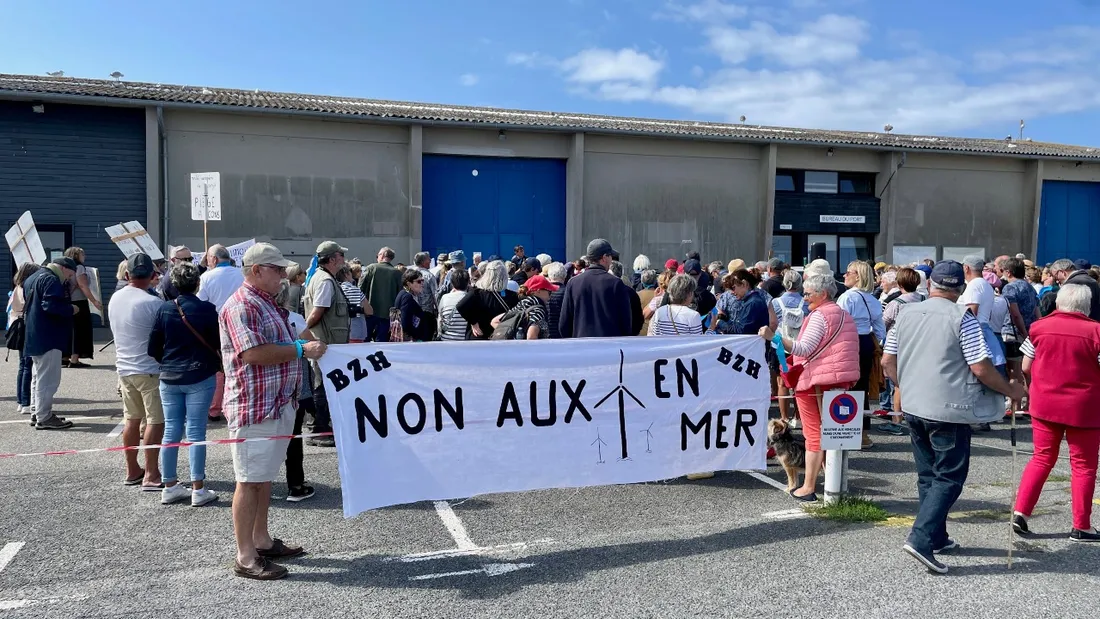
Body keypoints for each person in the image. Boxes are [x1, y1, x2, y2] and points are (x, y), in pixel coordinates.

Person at [882, 260, 1025, 574]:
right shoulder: (963, 317)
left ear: (930, 285)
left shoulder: (905, 313)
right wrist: (1010, 390)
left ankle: (935, 536)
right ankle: (921, 538)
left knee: (928, 475)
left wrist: (906, 385)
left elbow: (887, 361)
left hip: (914, 405)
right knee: (949, 477)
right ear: (960, 288)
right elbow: (980, 367)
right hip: (950, 409)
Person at [221, 242, 326, 580]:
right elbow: (252, 353)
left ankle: (261, 541)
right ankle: (245, 556)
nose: (283, 274)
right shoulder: (242, 305)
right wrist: (301, 349)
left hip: (276, 404)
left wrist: (301, 347)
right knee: (249, 481)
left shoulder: (265, 302)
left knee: (262, 478)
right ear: (256, 270)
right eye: (277, 269)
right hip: (256, 407)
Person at [759, 273, 859, 501]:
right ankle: (835, 486)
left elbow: (803, 348)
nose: (804, 298)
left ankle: (808, 486)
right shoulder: (845, 315)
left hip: (814, 382)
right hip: (839, 382)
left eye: (808, 294)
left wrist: (773, 337)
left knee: (813, 434)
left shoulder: (818, 316)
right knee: (835, 436)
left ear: (822, 294)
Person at [1013, 284, 1100, 542]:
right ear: (1086, 306)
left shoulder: (1038, 328)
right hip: (1084, 408)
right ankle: (1081, 525)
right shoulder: (1096, 332)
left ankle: (1020, 512)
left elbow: (1026, 365)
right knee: (1083, 466)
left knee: (1041, 458)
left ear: (1059, 303)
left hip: (1045, 404)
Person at [147, 261, 219, 507]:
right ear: (198, 283)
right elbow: (218, 342)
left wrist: (168, 361)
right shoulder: (207, 309)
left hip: (169, 375)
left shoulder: (165, 309)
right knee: (196, 432)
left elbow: (153, 347)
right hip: (200, 374)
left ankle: (170, 485)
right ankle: (198, 488)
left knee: (171, 430)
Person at [109, 253, 166, 491]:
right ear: (152, 276)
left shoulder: (115, 298)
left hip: (125, 367)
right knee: (156, 421)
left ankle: (132, 469)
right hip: (149, 369)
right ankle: (151, 474)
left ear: (126, 274)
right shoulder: (154, 303)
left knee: (131, 420)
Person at [302, 241, 355, 448]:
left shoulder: (325, 278)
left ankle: (321, 428)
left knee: (324, 384)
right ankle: (319, 430)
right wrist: (305, 332)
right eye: (341, 255)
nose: (344, 258)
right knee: (322, 386)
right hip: (325, 344)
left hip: (327, 344)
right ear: (332, 259)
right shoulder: (325, 280)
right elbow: (317, 311)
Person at [23, 257, 78, 429]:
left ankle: (36, 412)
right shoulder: (51, 279)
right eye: (70, 274)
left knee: (38, 376)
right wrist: (71, 309)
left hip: (33, 334)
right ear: (63, 268)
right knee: (48, 379)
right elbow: (50, 306)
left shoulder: (32, 277)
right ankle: (44, 416)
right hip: (49, 335)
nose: (69, 278)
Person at [838, 261, 887, 449]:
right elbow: (880, 330)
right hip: (866, 342)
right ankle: (863, 435)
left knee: (844, 386)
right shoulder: (872, 300)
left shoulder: (847, 298)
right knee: (861, 388)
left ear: (857, 276)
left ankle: (844, 430)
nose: (844, 275)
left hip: (849, 342)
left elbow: (839, 324)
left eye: (848, 272)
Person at [277, 280, 318, 502]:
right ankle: (295, 484)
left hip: (269, 389)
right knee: (293, 437)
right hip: (295, 387)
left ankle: (261, 484)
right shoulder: (294, 319)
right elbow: (312, 345)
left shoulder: (261, 318)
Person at [198, 245, 245, 423]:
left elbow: (201, 302)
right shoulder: (241, 274)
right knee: (240, 364)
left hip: (216, 327)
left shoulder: (206, 277)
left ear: (214, 259)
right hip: (240, 324)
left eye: (208, 259)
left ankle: (215, 408)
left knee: (219, 368)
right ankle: (239, 404)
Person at [558, 239, 640, 338]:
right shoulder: (616, 283)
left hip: (581, 344)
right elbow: (626, 323)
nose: (611, 260)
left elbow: (564, 324)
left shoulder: (573, 283)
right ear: (604, 258)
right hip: (609, 344)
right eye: (610, 256)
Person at [877, 267, 923, 435]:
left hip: (898, 346)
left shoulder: (896, 303)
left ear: (899, 283)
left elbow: (883, 325)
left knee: (898, 384)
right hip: (919, 344)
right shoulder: (924, 299)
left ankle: (897, 421)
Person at [1000, 257, 1040, 416]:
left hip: (1014, 332)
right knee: (1027, 371)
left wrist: (1024, 332)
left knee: (1013, 370)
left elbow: (1015, 314)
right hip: (1031, 331)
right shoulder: (1030, 287)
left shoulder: (1009, 288)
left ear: (1008, 272)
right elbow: (1037, 311)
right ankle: (1029, 403)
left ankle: (1014, 405)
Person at [772, 269, 806, 426]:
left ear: (784, 283)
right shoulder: (806, 302)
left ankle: (784, 418)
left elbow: (772, 323)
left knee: (781, 382)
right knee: (800, 383)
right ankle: (798, 417)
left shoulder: (775, 303)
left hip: (780, 346)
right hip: (800, 346)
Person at [457, 260, 519, 339]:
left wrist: (473, 322)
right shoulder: (513, 296)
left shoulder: (477, 293)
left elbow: (460, 306)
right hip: (501, 337)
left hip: (479, 337)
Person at [10, 263, 41, 416]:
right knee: (28, 365)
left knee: (23, 365)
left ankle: (21, 401)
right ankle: (26, 402)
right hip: (26, 326)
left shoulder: (17, 287)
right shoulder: (27, 288)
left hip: (17, 325)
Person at [63, 247, 101, 368]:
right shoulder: (79, 267)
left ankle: (64, 357)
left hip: (66, 301)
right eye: (82, 254)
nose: (84, 256)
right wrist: (94, 301)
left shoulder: (64, 268)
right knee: (79, 329)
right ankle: (75, 359)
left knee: (68, 329)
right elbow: (83, 285)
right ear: (76, 255)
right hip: (79, 302)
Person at [359, 246, 402, 342]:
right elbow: (400, 294)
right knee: (382, 341)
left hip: (369, 311)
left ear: (382, 255)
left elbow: (360, 287)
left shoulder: (371, 268)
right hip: (388, 314)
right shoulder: (397, 273)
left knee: (365, 340)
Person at [492, 274, 556, 339]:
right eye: (549, 292)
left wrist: (510, 335)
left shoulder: (520, 305)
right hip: (525, 345)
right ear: (538, 291)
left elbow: (495, 321)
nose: (550, 297)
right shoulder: (538, 310)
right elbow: (531, 336)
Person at [716, 269, 770, 334]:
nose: (732, 292)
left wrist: (720, 323)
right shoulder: (751, 301)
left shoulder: (752, 303)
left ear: (744, 284)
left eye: (734, 288)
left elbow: (741, 331)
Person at [394, 269, 434, 341]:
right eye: (419, 281)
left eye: (422, 281)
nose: (422, 284)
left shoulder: (408, 294)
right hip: (410, 340)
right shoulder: (407, 297)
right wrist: (416, 336)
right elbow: (405, 323)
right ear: (409, 284)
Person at [437, 267, 471, 341]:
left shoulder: (445, 298)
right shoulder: (472, 299)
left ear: (452, 283)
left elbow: (440, 319)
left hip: (446, 340)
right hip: (465, 340)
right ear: (468, 282)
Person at [411, 252, 439, 340]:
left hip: (413, 312)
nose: (430, 260)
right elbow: (436, 295)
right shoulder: (429, 276)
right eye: (428, 259)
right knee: (427, 339)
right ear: (423, 262)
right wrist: (439, 312)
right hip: (427, 313)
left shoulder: (410, 274)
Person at [545, 262, 568, 339]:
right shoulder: (567, 292)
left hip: (545, 334)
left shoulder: (543, 292)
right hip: (563, 334)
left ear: (549, 275)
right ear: (565, 276)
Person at [636, 270, 659, 336]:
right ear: (655, 281)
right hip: (655, 332)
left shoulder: (637, 295)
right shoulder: (660, 296)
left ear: (642, 281)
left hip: (640, 332)